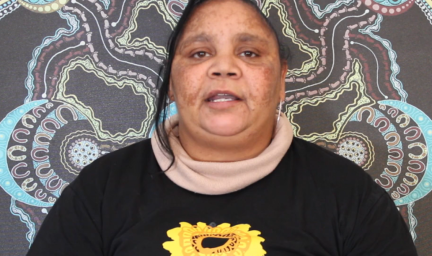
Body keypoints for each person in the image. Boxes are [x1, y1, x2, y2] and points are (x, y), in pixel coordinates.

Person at [27, 0, 418, 255]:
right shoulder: (100, 191)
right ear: (174, 82)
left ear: (281, 80)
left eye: (249, 53)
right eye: (199, 53)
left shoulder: (351, 198)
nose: (224, 67)